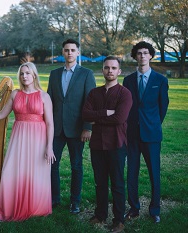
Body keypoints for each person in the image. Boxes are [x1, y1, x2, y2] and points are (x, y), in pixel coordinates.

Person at [0, 62, 55, 221]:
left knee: (35, 174)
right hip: (19, 138)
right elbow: (1, 114)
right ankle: (6, 209)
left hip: (38, 139)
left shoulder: (44, 96)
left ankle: (33, 208)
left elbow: (50, 123)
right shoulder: (15, 94)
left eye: (27, 73)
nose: (24, 76)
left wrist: (49, 147)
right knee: (10, 171)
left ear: (34, 75)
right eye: (21, 74)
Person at [82, 56, 132, 233]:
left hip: (116, 145)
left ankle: (119, 220)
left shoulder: (124, 93)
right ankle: (100, 215)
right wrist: (105, 113)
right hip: (97, 145)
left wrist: (97, 118)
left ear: (119, 71)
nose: (109, 71)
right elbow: (85, 115)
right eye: (106, 68)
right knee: (100, 183)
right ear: (102, 70)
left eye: (113, 68)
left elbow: (120, 118)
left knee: (117, 183)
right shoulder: (94, 93)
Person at [47, 38, 96, 213]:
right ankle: (54, 198)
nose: (69, 53)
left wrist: (88, 127)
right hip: (56, 129)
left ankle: (75, 201)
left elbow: (91, 103)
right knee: (52, 164)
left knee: (76, 165)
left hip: (77, 129)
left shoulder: (86, 74)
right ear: (62, 52)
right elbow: (49, 102)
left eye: (72, 50)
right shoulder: (54, 74)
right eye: (66, 50)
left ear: (78, 52)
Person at [123, 41, 169, 223]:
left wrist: (153, 124)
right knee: (131, 173)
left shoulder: (160, 80)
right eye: (139, 53)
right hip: (132, 134)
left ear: (150, 55)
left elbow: (163, 107)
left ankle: (155, 209)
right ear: (135, 56)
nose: (142, 56)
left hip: (152, 135)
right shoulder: (127, 81)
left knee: (154, 173)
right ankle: (134, 208)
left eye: (145, 53)